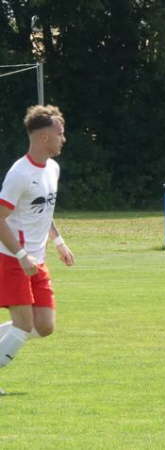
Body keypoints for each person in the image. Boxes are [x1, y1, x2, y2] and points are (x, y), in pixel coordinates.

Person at [0, 105, 74, 390]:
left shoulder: (52, 168)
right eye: (60, 133)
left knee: (44, 326)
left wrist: (59, 241)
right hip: (12, 258)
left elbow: (43, 209)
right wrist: (20, 255)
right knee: (22, 324)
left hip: (37, 260)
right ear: (44, 137)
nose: (63, 138)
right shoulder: (19, 173)